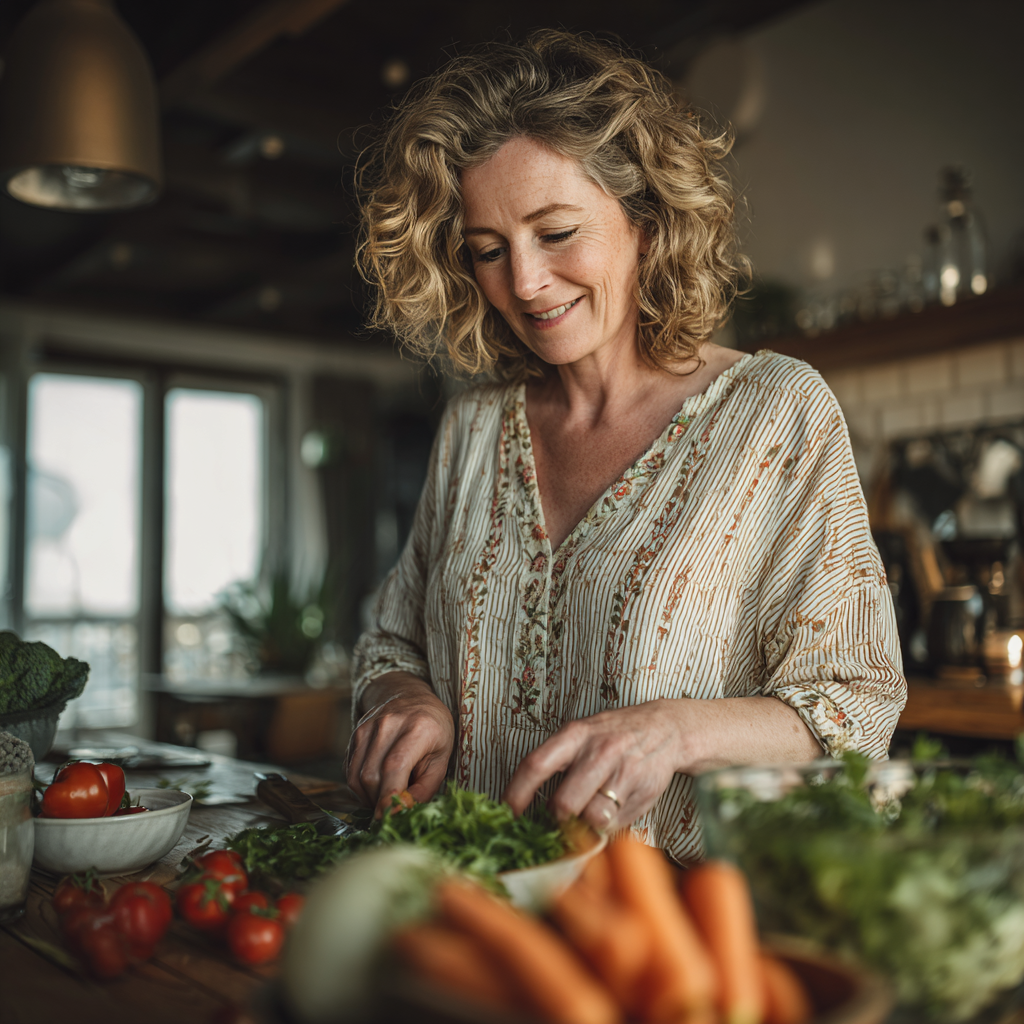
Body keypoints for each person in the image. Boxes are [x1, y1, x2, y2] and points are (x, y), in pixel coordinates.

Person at [347, 31, 906, 863]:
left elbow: (856, 709)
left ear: (645, 223)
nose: (524, 282)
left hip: (672, 940)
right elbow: (392, 643)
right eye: (489, 250)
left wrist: (675, 732)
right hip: (476, 914)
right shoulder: (472, 428)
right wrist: (404, 698)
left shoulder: (774, 415)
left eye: (557, 231)